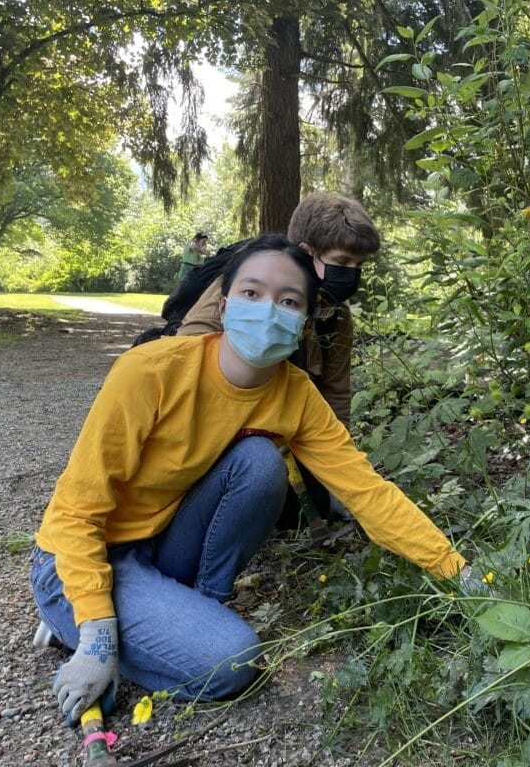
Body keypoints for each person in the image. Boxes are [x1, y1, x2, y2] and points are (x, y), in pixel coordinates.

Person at [30, 235, 468, 724]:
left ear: (303, 322)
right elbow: (76, 510)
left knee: (260, 461)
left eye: (288, 301)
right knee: (233, 663)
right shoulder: (149, 372)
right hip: (76, 558)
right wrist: (97, 635)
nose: (268, 310)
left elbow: (367, 492)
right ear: (223, 305)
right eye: (252, 294)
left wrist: (457, 571)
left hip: (158, 545)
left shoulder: (296, 395)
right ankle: (69, 620)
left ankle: (187, 614)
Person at [177, 194, 379, 522]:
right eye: (342, 263)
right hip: (221, 422)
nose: (351, 275)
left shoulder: (336, 316)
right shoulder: (247, 285)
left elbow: (336, 392)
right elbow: (187, 351)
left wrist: (341, 470)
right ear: (307, 251)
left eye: (359, 266)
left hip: (290, 421)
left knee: (304, 514)